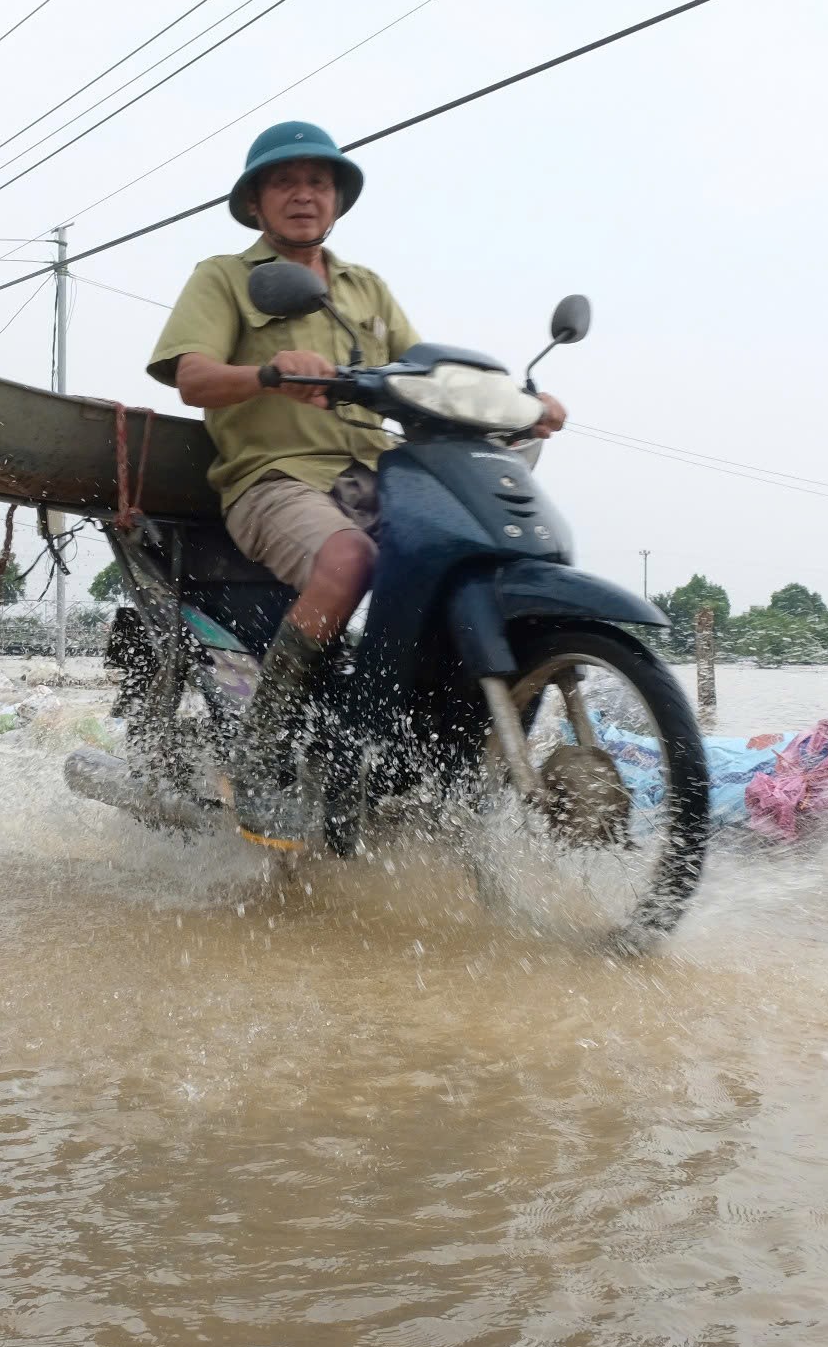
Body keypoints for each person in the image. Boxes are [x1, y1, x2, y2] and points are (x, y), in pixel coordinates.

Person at [147, 120, 565, 851]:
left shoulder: (366, 288)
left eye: (318, 182)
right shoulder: (226, 277)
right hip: (274, 480)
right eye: (285, 181)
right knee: (348, 561)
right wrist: (271, 374)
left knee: (476, 559)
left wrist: (518, 406)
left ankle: (434, 747)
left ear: (337, 199)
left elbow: (425, 373)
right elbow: (193, 377)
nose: (303, 194)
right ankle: (262, 750)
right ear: (256, 200)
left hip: (381, 477)